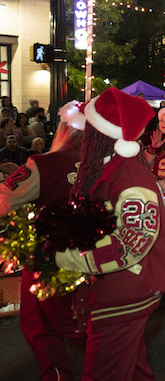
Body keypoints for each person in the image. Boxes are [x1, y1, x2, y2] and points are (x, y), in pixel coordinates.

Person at [46, 88, 165, 380]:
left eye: (89, 130)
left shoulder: (128, 173)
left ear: (102, 134)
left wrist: (65, 258)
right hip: (117, 288)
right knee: (133, 369)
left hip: (125, 292)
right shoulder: (110, 167)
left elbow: (132, 242)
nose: (83, 136)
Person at [0, 101, 86, 381]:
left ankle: (71, 370)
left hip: (48, 254)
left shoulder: (45, 164)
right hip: (92, 251)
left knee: (45, 320)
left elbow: (5, 198)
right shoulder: (107, 163)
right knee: (58, 318)